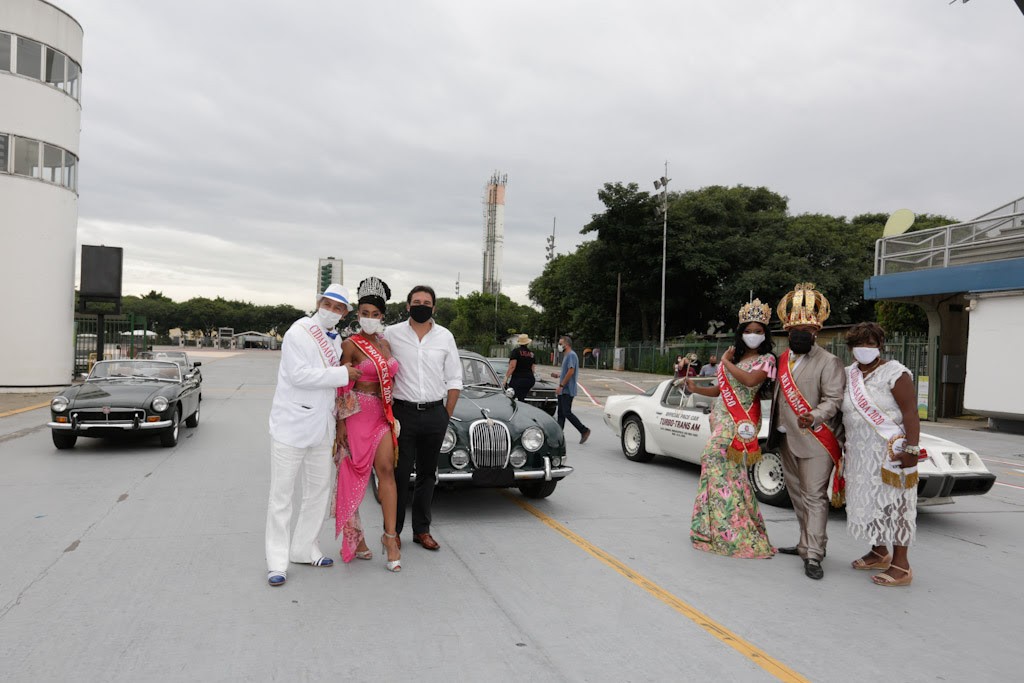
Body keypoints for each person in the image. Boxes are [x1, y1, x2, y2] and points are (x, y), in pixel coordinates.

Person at [265, 284, 360, 587]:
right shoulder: (299, 332)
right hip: (291, 426)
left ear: (345, 313)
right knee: (281, 497)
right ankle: (277, 561)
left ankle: (305, 548)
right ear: (319, 303)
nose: (332, 311)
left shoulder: (337, 342)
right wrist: (343, 374)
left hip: (322, 427)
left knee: (317, 492)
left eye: (338, 308)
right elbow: (299, 375)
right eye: (328, 304)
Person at [686, 300, 777, 558]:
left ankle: (733, 528)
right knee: (729, 473)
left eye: (759, 331)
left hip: (741, 420)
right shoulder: (734, 357)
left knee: (712, 458)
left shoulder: (766, 359)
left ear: (765, 335)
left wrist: (725, 363)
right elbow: (720, 389)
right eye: (749, 330)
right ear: (741, 333)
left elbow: (749, 383)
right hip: (721, 417)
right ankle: (713, 527)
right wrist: (697, 389)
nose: (753, 335)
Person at [768, 283, 845, 580]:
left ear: (816, 332)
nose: (799, 334)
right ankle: (805, 543)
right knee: (797, 495)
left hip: (816, 440)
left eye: (806, 330)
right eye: (794, 330)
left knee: (814, 497)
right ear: (787, 332)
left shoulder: (830, 362)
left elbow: (834, 400)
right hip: (786, 438)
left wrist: (812, 416)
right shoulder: (782, 360)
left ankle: (814, 554)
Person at [383, 285, 462, 551]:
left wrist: (445, 415)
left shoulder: (445, 336)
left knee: (428, 475)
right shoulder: (391, 334)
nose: (421, 305)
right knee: (400, 474)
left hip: (434, 414)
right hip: (402, 413)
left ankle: (422, 530)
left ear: (434, 308)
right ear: (407, 306)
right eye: (416, 301)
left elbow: (454, 378)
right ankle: (394, 533)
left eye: (427, 302)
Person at [841, 322, 920, 587]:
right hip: (860, 451)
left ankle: (902, 565)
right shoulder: (848, 374)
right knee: (873, 501)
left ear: (880, 346)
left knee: (897, 505)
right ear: (851, 348)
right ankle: (879, 551)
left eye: (871, 344)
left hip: (891, 451)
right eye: (859, 344)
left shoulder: (895, 372)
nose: (865, 349)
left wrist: (912, 449)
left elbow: (910, 412)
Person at [334, 277, 402, 572]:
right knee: (351, 477)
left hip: (381, 415)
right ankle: (356, 539)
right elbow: (341, 387)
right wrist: (340, 428)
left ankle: (390, 538)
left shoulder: (386, 344)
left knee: (386, 471)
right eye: (364, 313)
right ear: (357, 314)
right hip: (357, 414)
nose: (370, 319)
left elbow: (393, 380)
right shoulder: (350, 345)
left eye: (375, 314)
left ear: (382, 316)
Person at [551, 335, 590, 444]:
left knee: (566, 412)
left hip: (567, 390)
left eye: (560, 344)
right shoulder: (566, 355)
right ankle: (558, 436)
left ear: (566, 344)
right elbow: (567, 372)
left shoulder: (571, 355)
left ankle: (584, 430)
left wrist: (561, 386)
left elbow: (571, 371)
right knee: (561, 413)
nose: (559, 346)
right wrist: (559, 375)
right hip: (564, 389)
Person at [504, 333, 536, 401]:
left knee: (510, 398)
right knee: (522, 398)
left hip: (518, 379)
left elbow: (512, 366)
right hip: (529, 380)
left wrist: (505, 379)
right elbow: (533, 369)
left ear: (519, 342)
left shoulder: (516, 352)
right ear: (527, 343)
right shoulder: (531, 353)